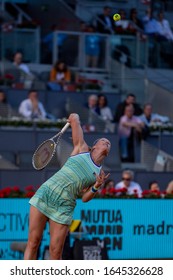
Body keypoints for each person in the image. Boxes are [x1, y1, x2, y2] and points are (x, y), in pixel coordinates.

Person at [24, 113, 111, 260]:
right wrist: (74, 117)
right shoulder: (81, 148)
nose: (107, 143)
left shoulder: (100, 174)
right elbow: (75, 121)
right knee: (33, 243)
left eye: (109, 143)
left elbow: (85, 198)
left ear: (108, 153)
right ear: (95, 145)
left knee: (56, 252)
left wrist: (96, 186)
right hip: (46, 193)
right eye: (103, 141)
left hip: (65, 206)